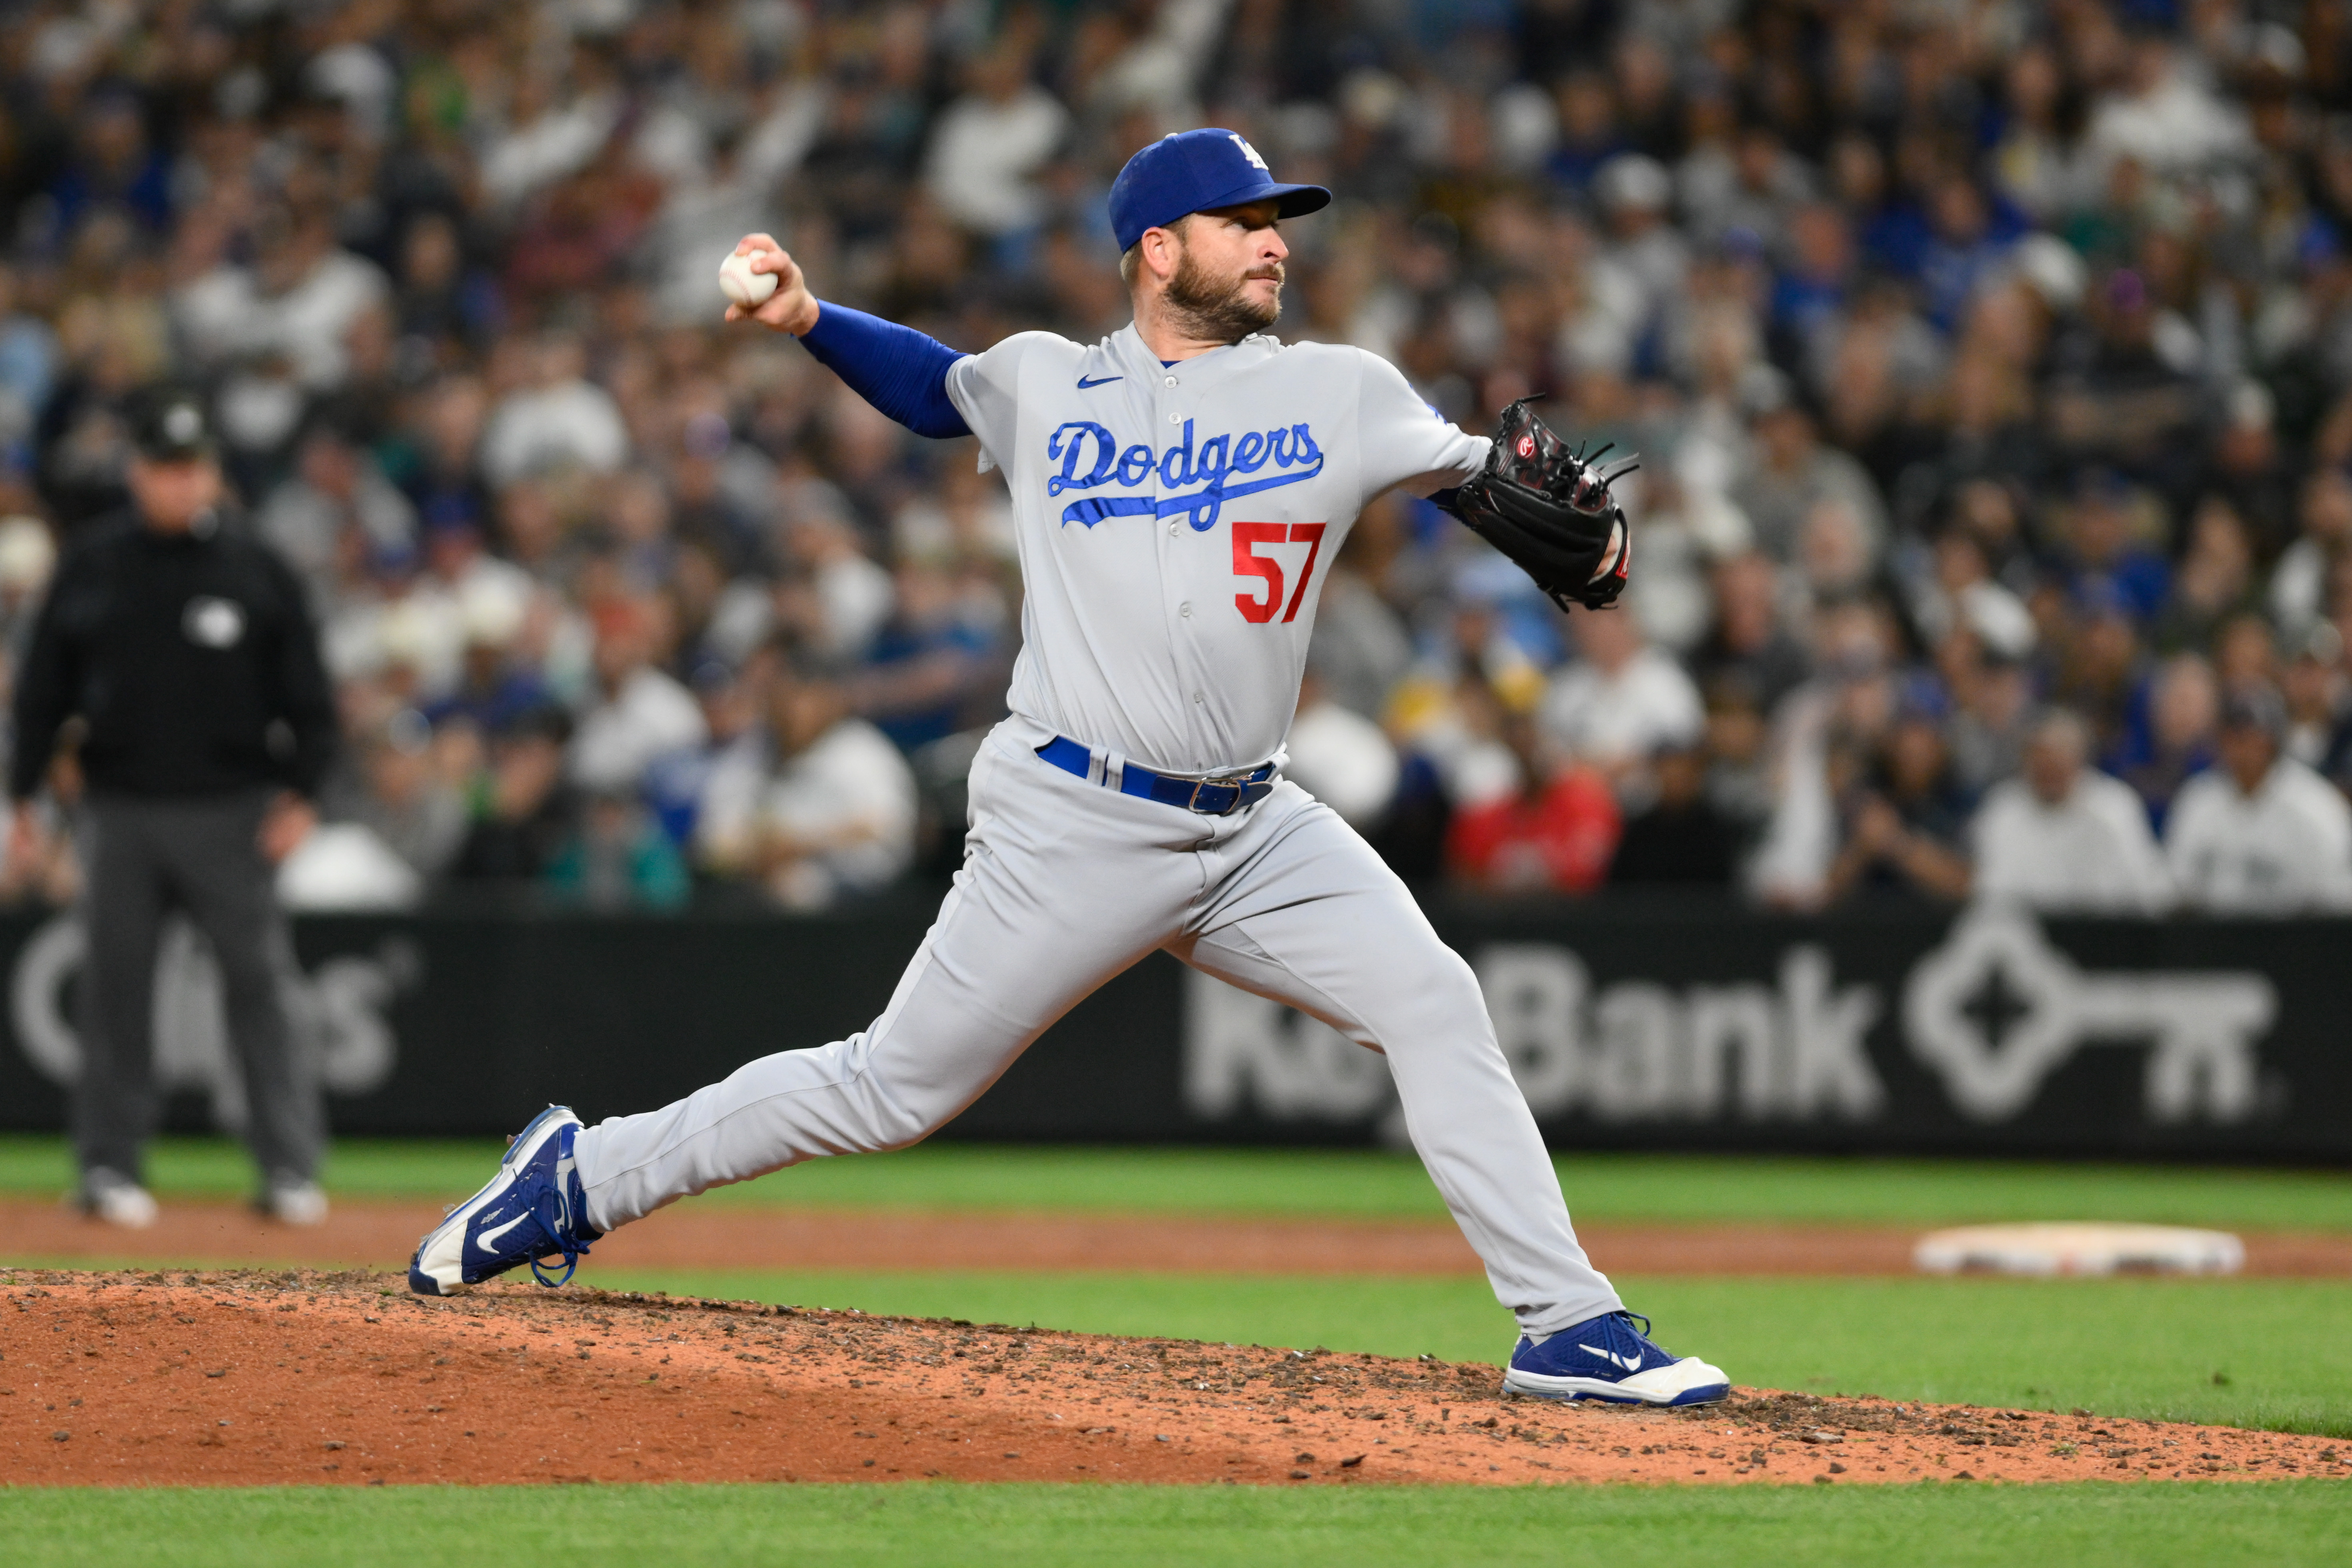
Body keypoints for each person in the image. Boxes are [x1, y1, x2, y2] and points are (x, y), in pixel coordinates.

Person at [410, 129, 1727, 1409]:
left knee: (1435, 1000)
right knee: (888, 1090)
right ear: (1158, 249)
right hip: (1074, 819)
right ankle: (580, 1177)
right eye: (1245, 222)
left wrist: (1590, 542)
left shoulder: (1345, 391)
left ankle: (1567, 1324)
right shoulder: (1047, 379)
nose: (1274, 246)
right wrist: (812, 318)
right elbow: (937, 388)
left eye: (1280, 224)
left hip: (1256, 828)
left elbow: (1506, 487)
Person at [9, 389, 340, 1228]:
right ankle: (109, 1166)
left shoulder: (257, 564)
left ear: (213, 474)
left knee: (261, 988)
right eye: (163, 467)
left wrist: (306, 790)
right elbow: (43, 688)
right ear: (136, 470)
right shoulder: (92, 562)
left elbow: (309, 693)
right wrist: (22, 795)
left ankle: (288, 1166)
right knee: (114, 994)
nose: (177, 483)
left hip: (234, 811)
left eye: (191, 468)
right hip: (118, 810)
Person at [2165, 687, 2352, 914]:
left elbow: (2337, 899)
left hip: (2292, 940)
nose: (2242, 747)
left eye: (2252, 735)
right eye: (2233, 734)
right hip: (2211, 939)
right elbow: (2172, 892)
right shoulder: (2197, 800)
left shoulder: (2316, 806)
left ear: (2273, 739)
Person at [1969, 708, 2172, 914]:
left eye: (2057, 767)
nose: (2049, 775)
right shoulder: (2001, 809)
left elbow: (2149, 890)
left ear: (2080, 761)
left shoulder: (2115, 807)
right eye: (2041, 767)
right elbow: (1985, 893)